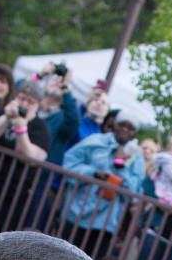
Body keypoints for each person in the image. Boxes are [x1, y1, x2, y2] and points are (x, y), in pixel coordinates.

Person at [56, 104, 140, 251]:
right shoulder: (95, 141)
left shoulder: (136, 157)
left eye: (130, 127)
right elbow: (69, 163)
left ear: (134, 133)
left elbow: (134, 193)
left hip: (104, 223)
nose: (125, 130)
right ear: (115, 125)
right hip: (77, 212)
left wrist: (120, 165)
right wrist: (93, 173)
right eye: (122, 125)